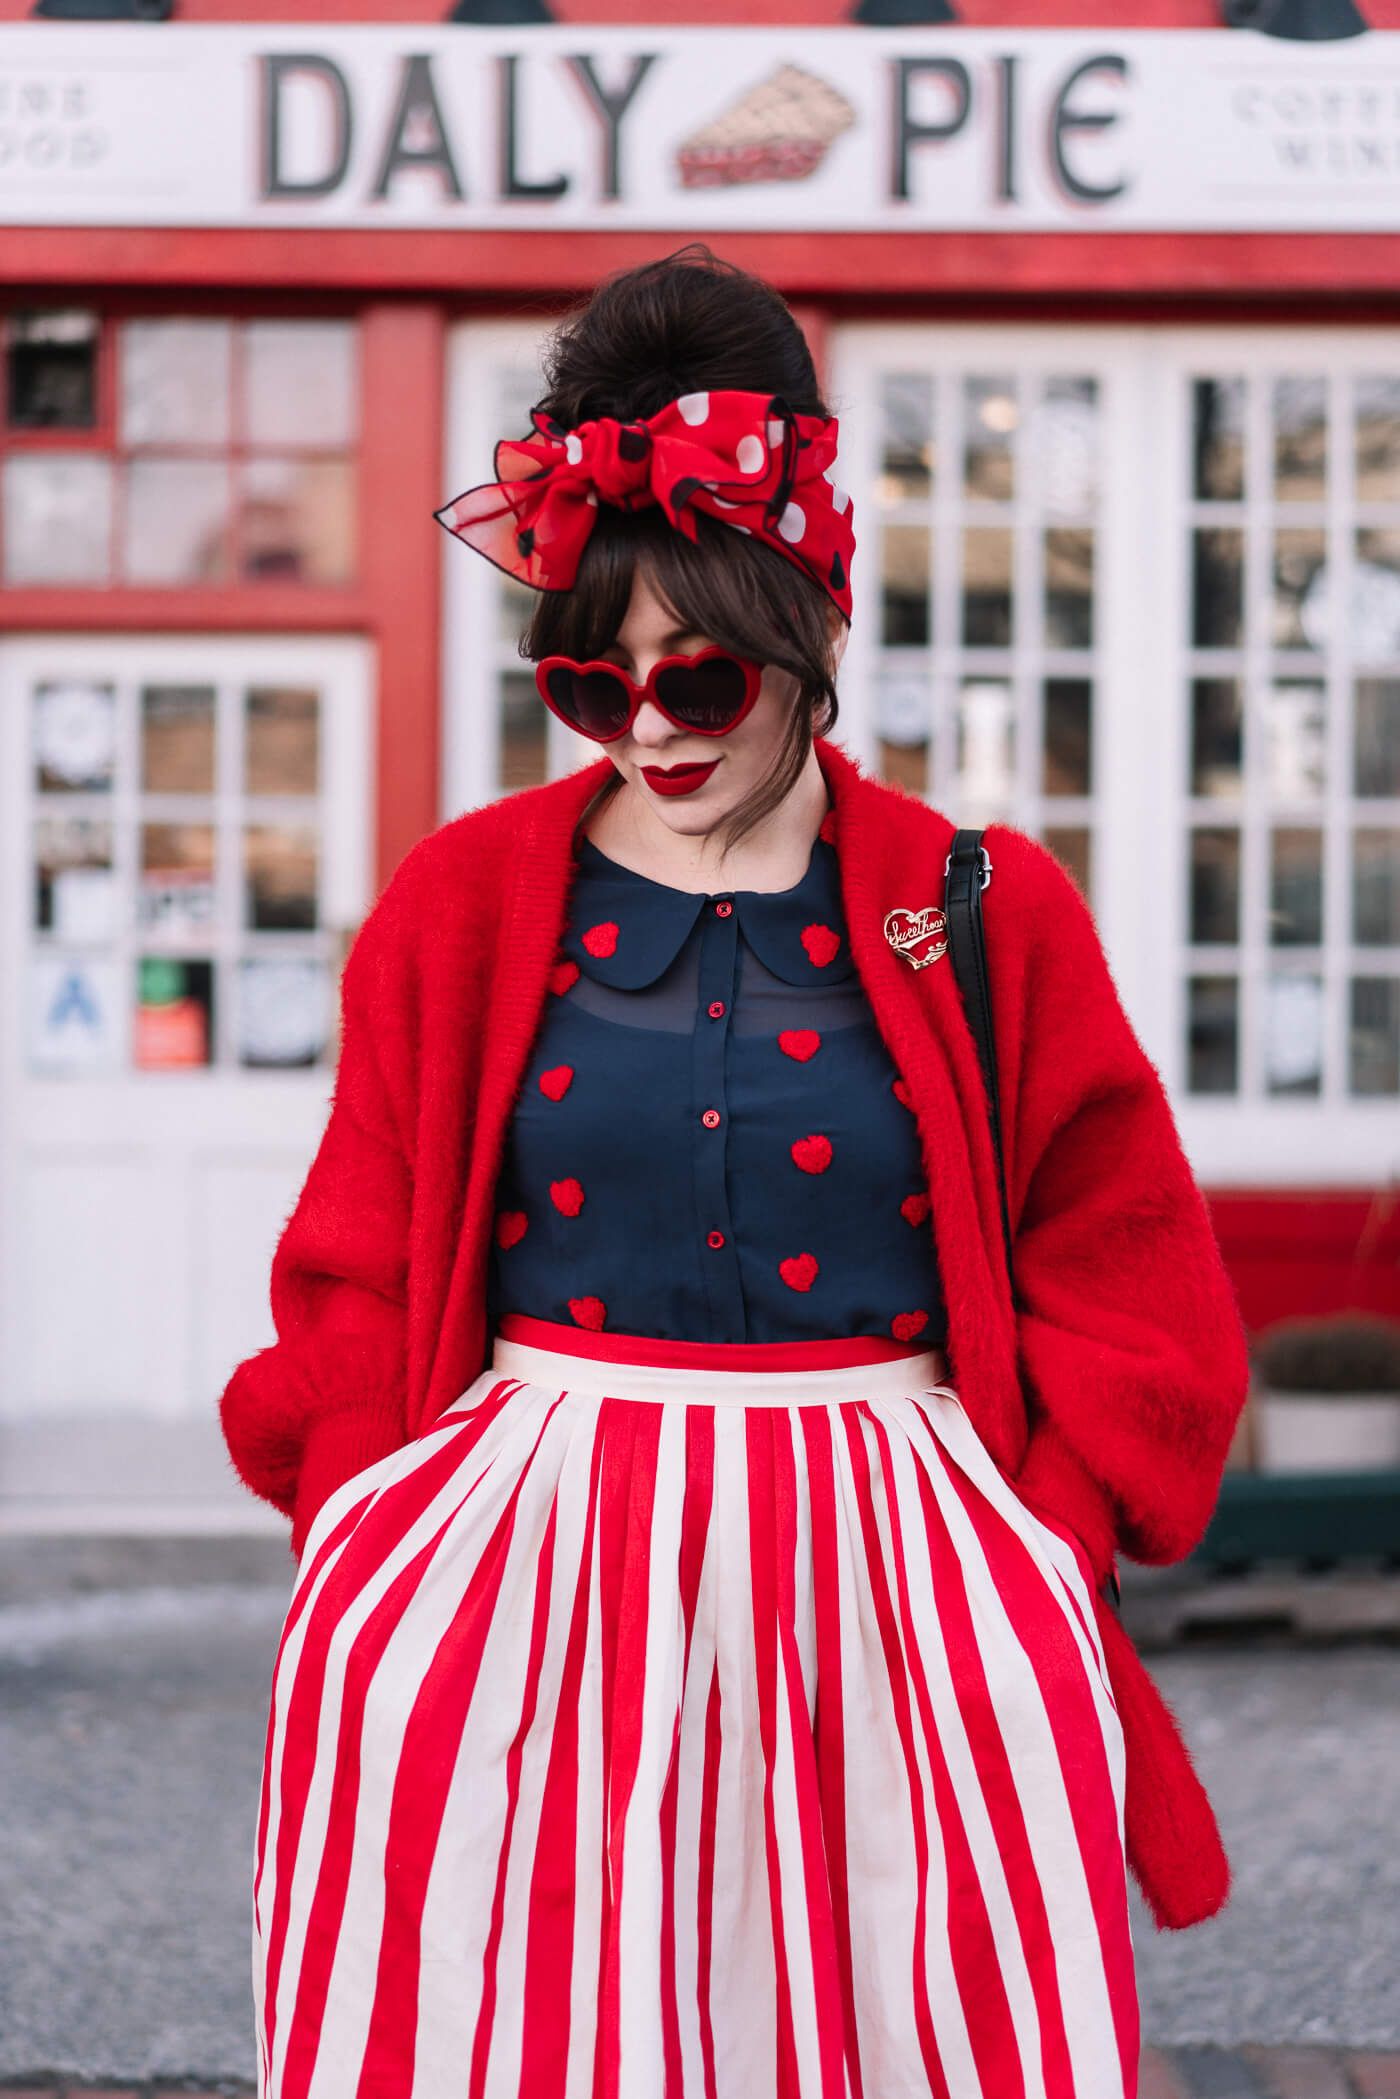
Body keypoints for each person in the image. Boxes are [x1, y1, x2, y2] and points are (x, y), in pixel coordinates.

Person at [220, 244, 1250, 2099]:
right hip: (530, 1565)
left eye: (696, 674)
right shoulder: (462, 906)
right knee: (525, 2036)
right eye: (591, 687)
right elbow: (358, 1266)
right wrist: (365, 1541)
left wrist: (1044, 1555)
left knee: (905, 2037)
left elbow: (1127, 1272)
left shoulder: (980, 906)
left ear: (812, 632)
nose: (653, 729)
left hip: (907, 1574)